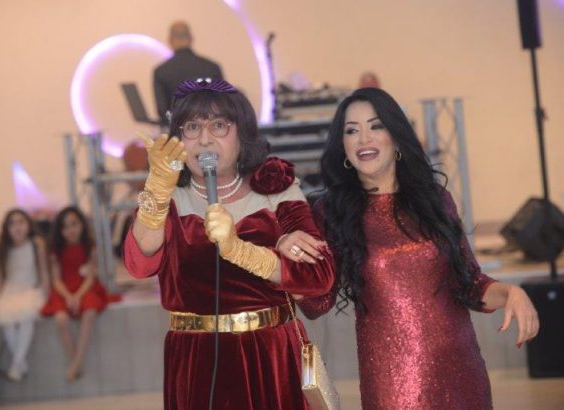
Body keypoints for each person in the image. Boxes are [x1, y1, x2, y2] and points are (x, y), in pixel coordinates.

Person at [277, 87, 539, 409]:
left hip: (462, 373)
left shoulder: (434, 199)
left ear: (396, 137)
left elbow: (470, 284)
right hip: (392, 385)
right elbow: (318, 303)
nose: (364, 139)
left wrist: (512, 293)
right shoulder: (332, 212)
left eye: (376, 126)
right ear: (342, 146)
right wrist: (289, 259)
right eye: (352, 131)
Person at [123, 79, 335, 409]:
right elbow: (140, 263)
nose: (204, 139)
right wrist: (156, 189)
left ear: (242, 133)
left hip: (270, 354)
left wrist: (238, 249)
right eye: (192, 127)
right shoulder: (169, 196)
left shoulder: (274, 189)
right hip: (196, 357)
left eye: (219, 125)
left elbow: (319, 276)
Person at [41, 206, 119, 381]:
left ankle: (77, 362)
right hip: (64, 289)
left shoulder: (90, 247)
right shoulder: (56, 251)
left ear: (82, 225)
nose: (70, 230)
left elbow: (91, 276)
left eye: (74, 224)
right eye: (65, 226)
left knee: (89, 312)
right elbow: (56, 279)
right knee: (60, 319)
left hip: (85, 287)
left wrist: (78, 296)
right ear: (59, 230)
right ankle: (75, 361)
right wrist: (69, 297)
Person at [0, 208, 49, 381]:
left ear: (29, 225)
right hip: (10, 291)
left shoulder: (36, 244)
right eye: (12, 223)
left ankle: (16, 365)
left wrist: (47, 294)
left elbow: (43, 271)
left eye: (21, 222)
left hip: (30, 289)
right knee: (7, 321)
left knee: (26, 318)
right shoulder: (3, 248)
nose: (17, 227)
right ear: (6, 228)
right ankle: (20, 364)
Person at [153, 21, 223, 122]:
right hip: (209, 127)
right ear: (191, 39)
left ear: (170, 41)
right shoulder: (212, 67)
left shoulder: (161, 71)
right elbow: (222, 104)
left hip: (178, 129)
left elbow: (162, 111)